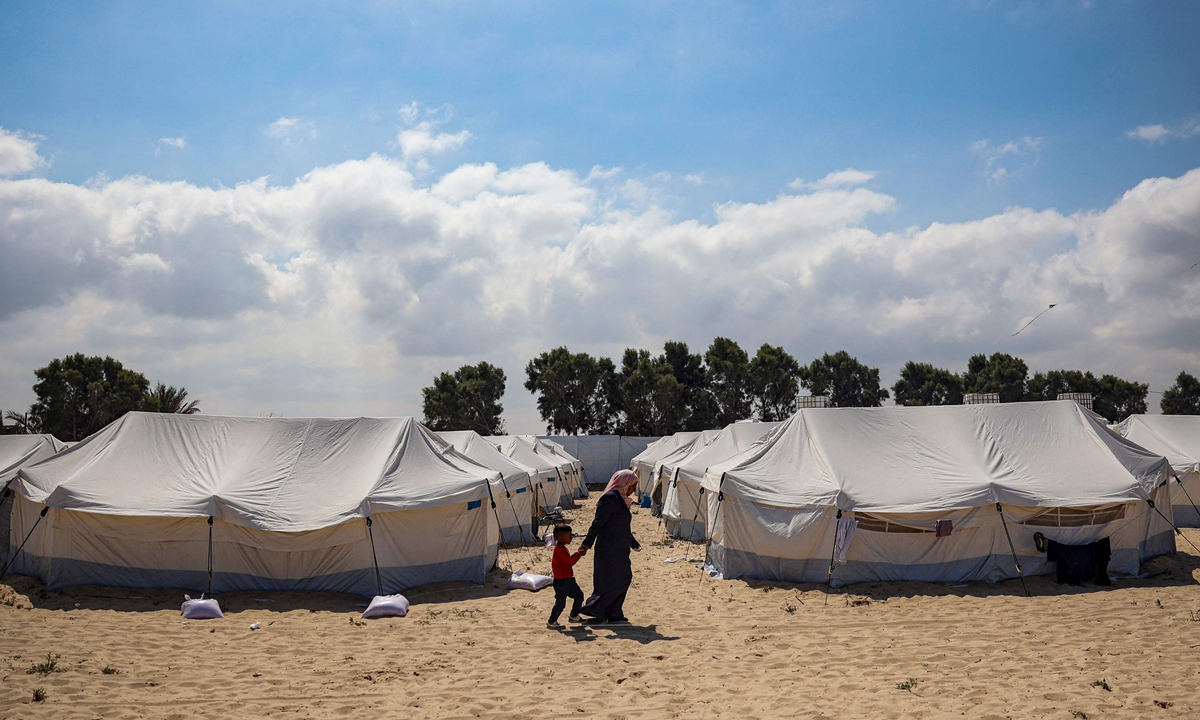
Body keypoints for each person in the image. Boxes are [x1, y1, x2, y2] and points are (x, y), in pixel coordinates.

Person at [578, 469, 641, 624]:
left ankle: (613, 613)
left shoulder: (621, 500)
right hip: (609, 548)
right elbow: (598, 523)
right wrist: (586, 544)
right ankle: (596, 608)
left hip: (620, 548)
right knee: (618, 580)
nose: (634, 490)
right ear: (624, 484)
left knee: (621, 579)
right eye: (633, 486)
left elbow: (621, 527)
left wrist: (634, 544)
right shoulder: (609, 499)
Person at [547, 524, 587, 630]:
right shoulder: (559, 550)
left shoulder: (563, 548)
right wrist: (579, 554)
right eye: (569, 535)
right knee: (560, 603)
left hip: (568, 579)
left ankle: (574, 615)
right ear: (561, 538)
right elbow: (570, 561)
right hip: (561, 581)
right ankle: (552, 621)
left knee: (579, 596)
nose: (571, 537)